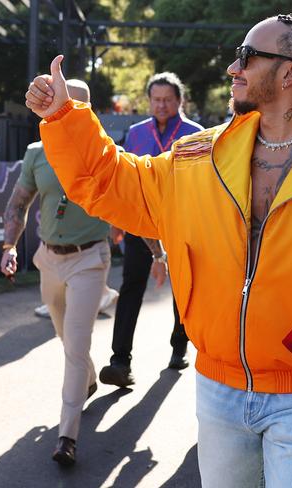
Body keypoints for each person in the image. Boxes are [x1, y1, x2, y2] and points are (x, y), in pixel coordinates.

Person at [26, 15, 292, 488]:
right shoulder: (198, 157)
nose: (233, 68)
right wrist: (63, 118)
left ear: (289, 72)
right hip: (217, 392)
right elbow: (114, 184)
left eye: (247, 56)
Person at [1, 79, 111, 467]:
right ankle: (90, 379)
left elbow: (132, 203)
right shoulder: (36, 152)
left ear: (89, 113)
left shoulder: (103, 152)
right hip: (50, 258)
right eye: (59, 105)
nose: (66, 113)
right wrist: (8, 247)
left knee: (75, 345)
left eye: (75, 107)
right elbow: (18, 204)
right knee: (67, 338)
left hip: (89, 259)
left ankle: (68, 435)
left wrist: (158, 252)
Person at [98, 72, 204, 388]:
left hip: (185, 224)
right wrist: (117, 221)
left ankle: (178, 345)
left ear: (179, 101)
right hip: (140, 223)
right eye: (156, 100)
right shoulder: (135, 133)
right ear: (149, 101)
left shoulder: (196, 134)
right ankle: (120, 360)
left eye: (167, 100)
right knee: (132, 285)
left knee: (183, 287)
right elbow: (125, 183)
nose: (161, 105)